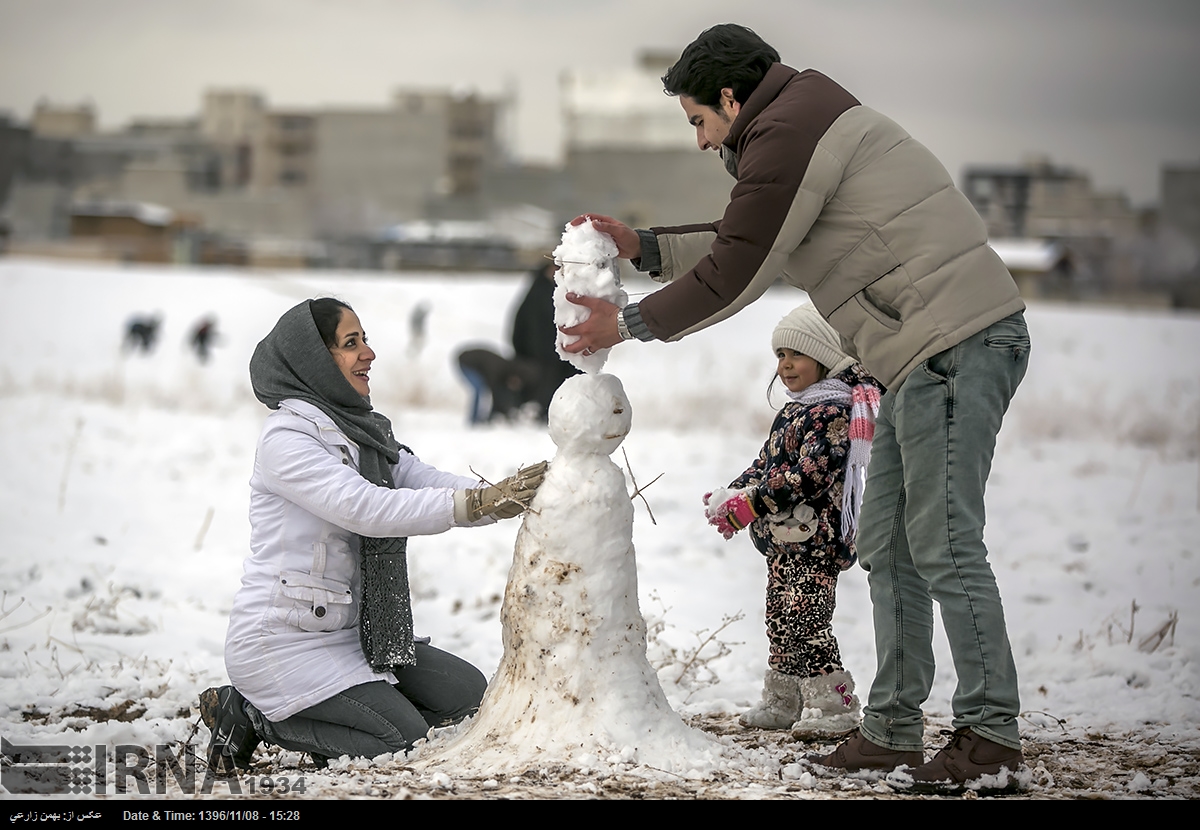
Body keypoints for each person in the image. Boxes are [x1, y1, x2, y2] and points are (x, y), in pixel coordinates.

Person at [560, 24, 1030, 793]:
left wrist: (633, 321)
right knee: (888, 544)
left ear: (731, 97)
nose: (700, 140)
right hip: (920, 356)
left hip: (957, 345)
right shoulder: (794, 119)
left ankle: (989, 735)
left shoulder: (788, 130)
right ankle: (892, 728)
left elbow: (743, 262)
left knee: (943, 542)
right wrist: (643, 247)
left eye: (699, 121)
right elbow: (754, 235)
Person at [202, 297, 547, 774]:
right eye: (350, 343)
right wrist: (476, 506)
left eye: (364, 339)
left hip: (360, 632)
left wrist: (506, 493)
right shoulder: (286, 439)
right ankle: (249, 712)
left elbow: (421, 479)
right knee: (400, 742)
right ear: (314, 361)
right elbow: (364, 507)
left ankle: (355, 706)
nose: (369, 353)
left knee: (471, 701)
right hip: (286, 642)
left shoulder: (363, 431)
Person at [704, 305, 880, 739]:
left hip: (817, 541)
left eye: (796, 355)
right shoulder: (794, 413)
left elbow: (808, 474)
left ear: (824, 357)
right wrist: (733, 495)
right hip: (784, 541)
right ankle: (784, 699)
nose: (784, 366)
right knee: (781, 617)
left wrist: (755, 505)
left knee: (808, 621)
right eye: (780, 355)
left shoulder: (835, 414)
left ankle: (833, 703)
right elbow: (765, 465)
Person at [455, 262, 579, 423]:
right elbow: (523, 325)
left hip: (558, 353)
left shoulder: (562, 294)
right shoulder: (535, 295)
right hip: (535, 356)